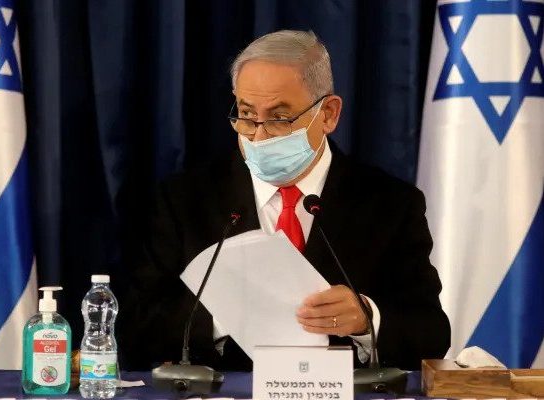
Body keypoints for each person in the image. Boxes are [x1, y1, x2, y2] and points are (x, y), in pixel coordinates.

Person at [118, 30, 450, 372]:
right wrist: (223, 316)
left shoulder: (391, 204)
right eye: (247, 115)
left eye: (279, 118)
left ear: (328, 114)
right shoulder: (185, 200)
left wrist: (367, 319)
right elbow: (135, 332)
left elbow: (432, 334)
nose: (258, 137)